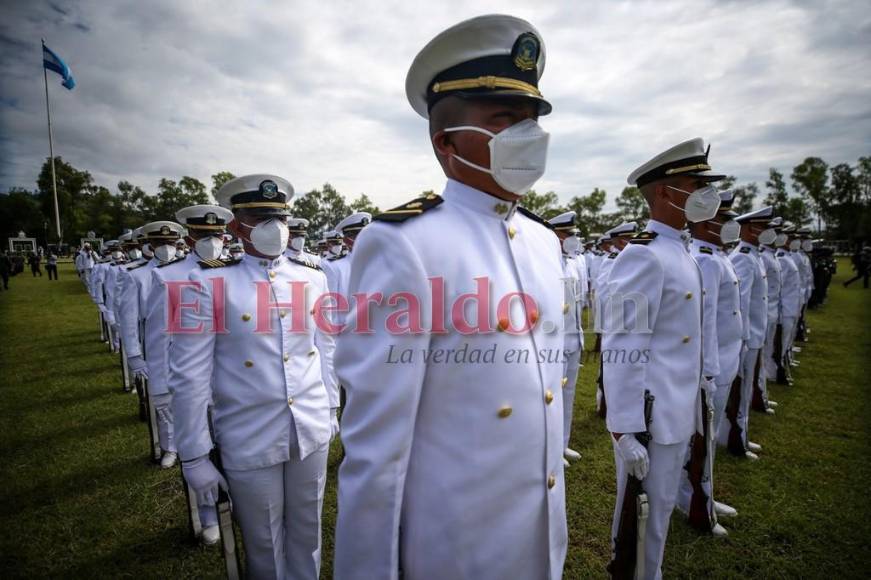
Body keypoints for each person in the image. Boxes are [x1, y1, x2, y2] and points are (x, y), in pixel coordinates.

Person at [334, 15, 567, 580]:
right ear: (447, 143)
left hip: (537, 531)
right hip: (456, 542)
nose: (527, 135)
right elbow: (376, 447)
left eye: (531, 119)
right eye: (504, 119)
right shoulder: (405, 245)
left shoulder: (541, 241)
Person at [168, 175, 339, 578]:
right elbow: (188, 376)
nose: (273, 227)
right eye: (259, 217)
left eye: (278, 217)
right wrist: (192, 453)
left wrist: (331, 407)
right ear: (235, 225)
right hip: (249, 432)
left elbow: (327, 351)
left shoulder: (313, 277)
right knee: (263, 542)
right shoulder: (201, 283)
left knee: (308, 534)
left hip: (309, 428)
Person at [602, 137, 724, 578]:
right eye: (695, 183)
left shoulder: (681, 250)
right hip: (650, 417)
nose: (705, 194)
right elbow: (622, 346)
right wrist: (624, 427)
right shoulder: (644, 255)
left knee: (659, 514)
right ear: (664, 192)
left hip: (676, 407)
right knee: (641, 519)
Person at [677, 189, 743, 537]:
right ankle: (691, 497)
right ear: (704, 222)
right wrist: (705, 370)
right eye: (723, 218)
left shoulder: (716, 256)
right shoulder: (703, 259)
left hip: (727, 356)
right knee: (698, 437)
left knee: (710, 433)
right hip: (711, 362)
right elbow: (702, 323)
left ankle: (705, 492)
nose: (730, 225)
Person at [724, 205, 775, 460]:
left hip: (754, 333)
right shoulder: (743, 257)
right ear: (748, 229)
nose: (767, 232)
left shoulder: (753, 255)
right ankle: (736, 438)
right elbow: (739, 304)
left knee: (744, 390)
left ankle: (739, 434)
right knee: (740, 391)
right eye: (762, 227)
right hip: (745, 336)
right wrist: (741, 338)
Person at [548, 211, 586, 466]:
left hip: (574, 337)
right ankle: (550, 450)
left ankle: (562, 443)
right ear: (555, 235)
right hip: (555, 341)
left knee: (568, 395)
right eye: (567, 234)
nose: (572, 239)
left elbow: (579, 302)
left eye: (574, 234)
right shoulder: (546, 262)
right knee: (552, 399)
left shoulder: (572, 263)